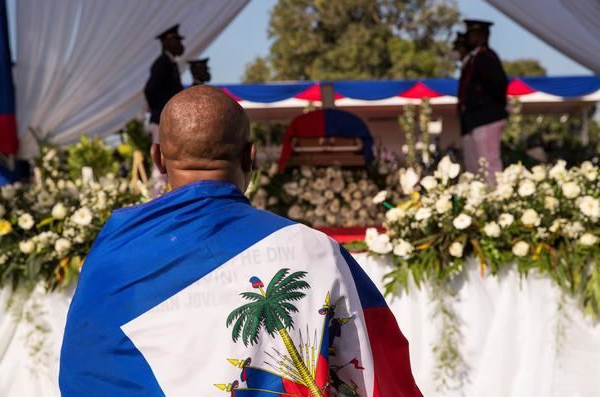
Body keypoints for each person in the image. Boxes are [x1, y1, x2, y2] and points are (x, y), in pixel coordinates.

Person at [59, 86, 422, 397]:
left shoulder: (112, 253)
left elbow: (85, 371)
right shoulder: (311, 250)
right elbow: (378, 375)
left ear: (157, 159)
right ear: (251, 156)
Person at [457, 19, 509, 180]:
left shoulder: (485, 56)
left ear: (481, 36)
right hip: (475, 119)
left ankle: (495, 201)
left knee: (488, 164)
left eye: (472, 34)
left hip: (486, 117)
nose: (468, 39)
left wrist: (488, 106)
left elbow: (499, 83)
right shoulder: (474, 58)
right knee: (477, 167)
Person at [144, 24, 185, 145]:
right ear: (167, 42)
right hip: (161, 119)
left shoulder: (171, 63)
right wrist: (159, 108)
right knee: (160, 158)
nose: (179, 44)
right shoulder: (162, 63)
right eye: (176, 40)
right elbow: (149, 89)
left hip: (167, 118)